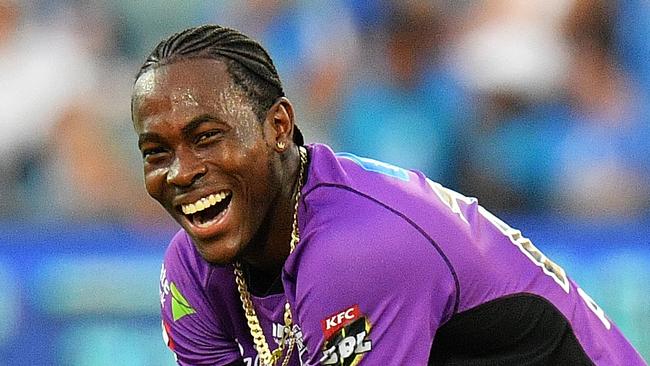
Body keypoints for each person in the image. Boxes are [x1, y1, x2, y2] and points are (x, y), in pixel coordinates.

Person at [131, 25, 647, 365]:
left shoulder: (357, 248)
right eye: (156, 151)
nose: (180, 173)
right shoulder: (192, 272)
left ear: (279, 127)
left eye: (206, 138)